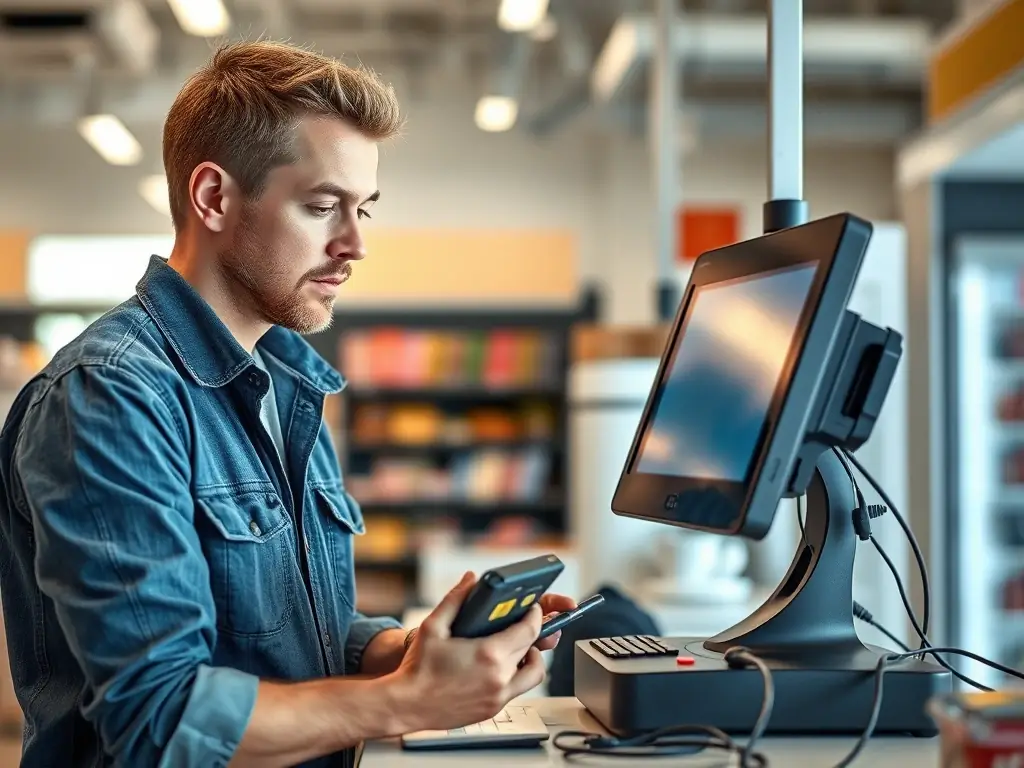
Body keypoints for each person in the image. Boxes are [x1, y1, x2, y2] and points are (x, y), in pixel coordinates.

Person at [0, 40, 575, 768]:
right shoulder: (110, 395)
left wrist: (407, 650)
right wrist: (411, 699)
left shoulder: (288, 385)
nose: (356, 244)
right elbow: (161, 722)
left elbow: (294, 637)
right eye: (323, 206)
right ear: (213, 198)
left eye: (364, 208)